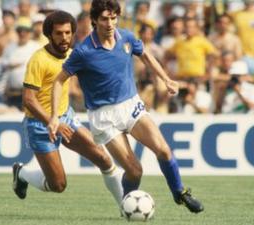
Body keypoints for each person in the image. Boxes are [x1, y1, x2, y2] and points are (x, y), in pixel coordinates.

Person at [49, 0, 203, 213]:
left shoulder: (127, 38)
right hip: (104, 116)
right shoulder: (84, 50)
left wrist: (166, 79)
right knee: (134, 171)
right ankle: (126, 205)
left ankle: (180, 193)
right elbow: (59, 81)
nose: (110, 23)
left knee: (164, 151)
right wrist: (55, 116)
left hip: (131, 105)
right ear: (94, 20)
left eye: (113, 17)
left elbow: (146, 55)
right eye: (104, 18)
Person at [12, 11, 123, 208]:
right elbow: (28, 100)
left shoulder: (73, 55)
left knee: (104, 158)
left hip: (67, 118)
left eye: (68, 33)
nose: (64, 38)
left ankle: (125, 207)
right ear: (49, 34)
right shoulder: (39, 60)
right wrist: (53, 122)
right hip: (40, 125)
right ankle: (22, 173)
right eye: (59, 33)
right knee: (58, 185)